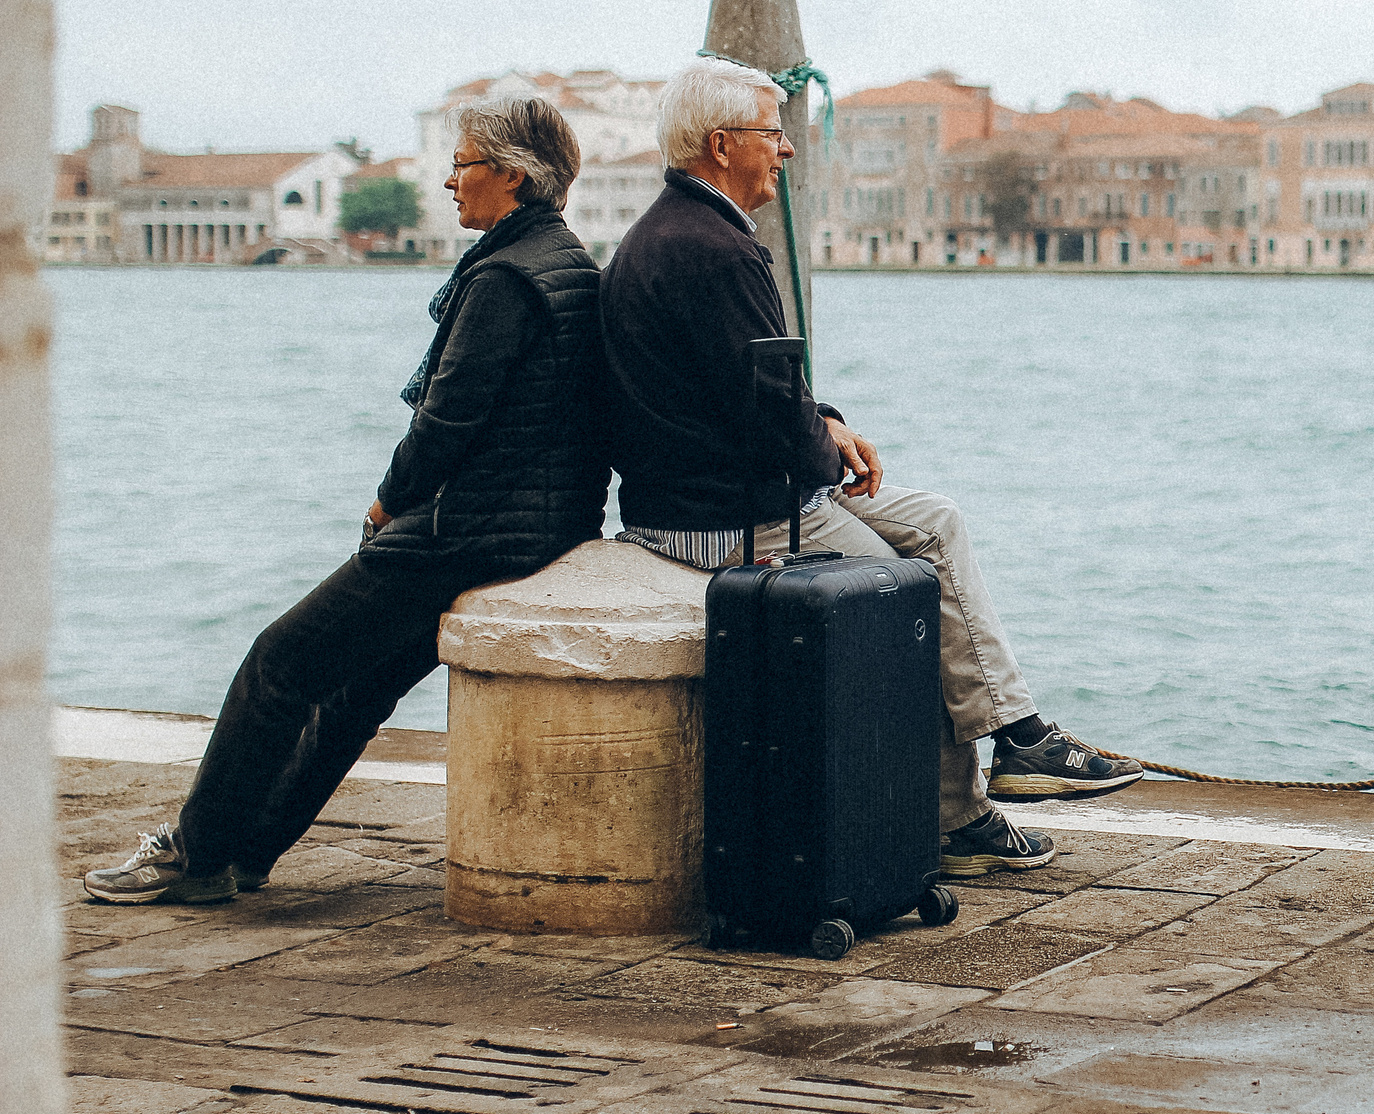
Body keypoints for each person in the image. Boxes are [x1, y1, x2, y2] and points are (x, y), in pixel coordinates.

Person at [602, 56, 1139, 878]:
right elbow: (766, 412)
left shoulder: (681, 234)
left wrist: (827, 425)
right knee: (908, 591)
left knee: (936, 521)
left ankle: (1019, 736)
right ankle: (963, 812)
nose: (786, 149)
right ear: (721, 144)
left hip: (732, 489)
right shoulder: (712, 252)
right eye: (773, 133)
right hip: (727, 514)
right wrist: (821, 446)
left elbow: (755, 387)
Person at [85, 98, 609, 904]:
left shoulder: (504, 278)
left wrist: (386, 506)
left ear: (511, 175)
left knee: (278, 664)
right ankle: (245, 852)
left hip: (471, 530)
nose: (449, 180)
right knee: (355, 692)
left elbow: (446, 424)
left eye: (462, 164)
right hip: (543, 525)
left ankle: (194, 857)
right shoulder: (569, 262)